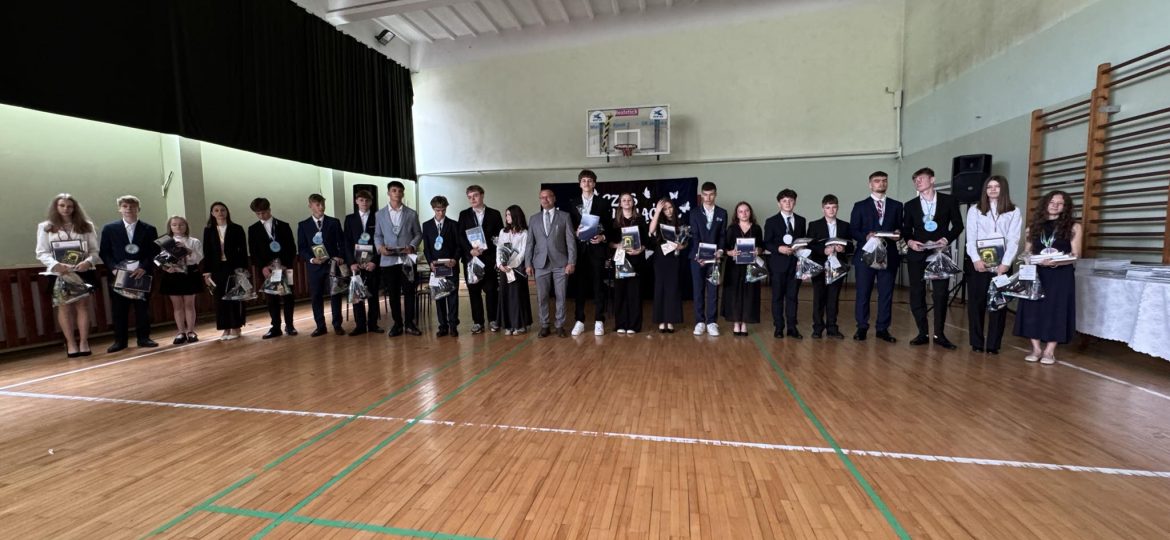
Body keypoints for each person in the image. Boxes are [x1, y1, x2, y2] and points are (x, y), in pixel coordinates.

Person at [1014, 190, 1081, 365]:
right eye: (1052, 202)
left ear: (1065, 207)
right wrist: (1028, 258)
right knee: (1033, 309)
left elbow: (1075, 255)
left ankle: (1049, 351)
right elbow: (1026, 252)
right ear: (1045, 204)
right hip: (1036, 273)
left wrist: (1057, 261)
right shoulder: (1033, 227)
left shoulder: (1074, 227)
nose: (1055, 206)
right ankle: (1036, 349)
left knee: (1057, 309)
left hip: (1060, 274)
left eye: (1060, 203)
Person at [903, 167, 964, 349]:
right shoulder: (910, 205)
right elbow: (906, 229)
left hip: (939, 253)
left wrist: (946, 239)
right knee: (917, 293)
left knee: (940, 294)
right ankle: (922, 333)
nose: (917, 182)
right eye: (915, 180)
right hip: (917, 254)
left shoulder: (949, 200)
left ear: (932, 180)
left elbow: (958, 225)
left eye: (921, 178)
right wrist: (910, 241)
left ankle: (939, 334)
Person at [35, 193, 100, 357]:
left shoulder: (86, 225)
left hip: (82, 271)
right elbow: (41, 252)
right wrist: (55, 264)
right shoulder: (45, 227)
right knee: (64, 309)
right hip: (59, 273)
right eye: (62, 205)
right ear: (56, 207)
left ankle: (84, 342)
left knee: (83, 307)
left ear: (74, 208)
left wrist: (88, 262)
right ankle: (71, 343)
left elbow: (94, 251)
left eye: (69, 206)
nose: (66, 209)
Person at [965, 176, 1021, 354]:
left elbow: (1014, 239)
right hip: (979, 263)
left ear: (1003, 189)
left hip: (1002, 265)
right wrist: (976, 259)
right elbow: (970, 237)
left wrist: (1006, 264)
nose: (993, 189)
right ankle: (976, 342)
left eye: (997, 186)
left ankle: (993, 345)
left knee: (999, 304)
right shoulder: (975, 210)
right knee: (976, 303)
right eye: (989, 187)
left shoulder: (1014, 211)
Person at [99, 195, 161, 352]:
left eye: (132, 206)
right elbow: (104, 252)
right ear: (119, 209)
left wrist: (144, 268)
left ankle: (144, 338)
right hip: (119, 274)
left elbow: (154, 252)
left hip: (141, 274)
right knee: (119, 309)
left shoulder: (149, 229)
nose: (129, 209)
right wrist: (114, 268)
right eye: (125, 206)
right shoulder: (109, 229)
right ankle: (120, 341)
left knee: (142, 308)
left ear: (138, 209)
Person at [850, 171, 902, 343]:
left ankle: (882, 329)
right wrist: (865, 236)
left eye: (884, 181)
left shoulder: (896, 205)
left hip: (889, 255)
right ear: (870, 184)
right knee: (863, 293)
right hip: (865, 255)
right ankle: (862, 327)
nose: (881, 183)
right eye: (877, 181)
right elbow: (853, 229)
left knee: (886, 294)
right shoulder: (860, 206)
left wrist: (898, 234)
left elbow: (900, 228)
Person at [375, 181, 423, 337]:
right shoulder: (379, 214)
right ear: (388, 193)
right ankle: (397, 324)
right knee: (393, 294)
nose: (397, 193)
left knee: (410, 292)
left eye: (400, 191)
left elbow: (418, 234)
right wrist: (380, 247)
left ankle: (410, 323)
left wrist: (412, 246)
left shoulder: (411, 213)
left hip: (407, 259)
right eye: (394, 190)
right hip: (388, 261)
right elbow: (377, 235)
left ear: (403, 193)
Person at [526, 189, 576, 338]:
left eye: (547, 197)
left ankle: (560, 325)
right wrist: (528, 263)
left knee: (561, 296)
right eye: (542, 197)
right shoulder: (534, 219)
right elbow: (530, 243)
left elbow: (570, 241)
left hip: (561, 264)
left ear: (554, 198)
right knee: (542, 297)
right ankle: (544, 325)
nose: (545, 199)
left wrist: (571, 262)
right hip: (540, 264)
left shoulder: (564, 216)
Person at [568, 169, 613, 336]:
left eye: (589, 180)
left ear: (594, 183)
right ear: (580, 184)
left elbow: (610, 226)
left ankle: (599, 320)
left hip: (597, 249)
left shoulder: (603, 203)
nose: (586, 183)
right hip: (579, 250)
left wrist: (603, 237)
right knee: (579, 286)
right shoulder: (573, 203)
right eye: (584, 180)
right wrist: (575, 232)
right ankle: (579, 320)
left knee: (598, 285)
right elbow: (569, 226)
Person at [248, 197, 298, 339]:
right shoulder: (253, 229)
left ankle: (290, 325)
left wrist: (285, 265)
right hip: (267, 270)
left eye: (264, 212)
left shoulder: (283, 226)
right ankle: (275, 327)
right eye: (258, 214)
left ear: (269, 210)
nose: (261, 216)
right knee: (271, 298)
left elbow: (291, 247)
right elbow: (254, 252)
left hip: (285, 267)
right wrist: (263, 267)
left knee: (288, 297)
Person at [297, 194, 346, 337]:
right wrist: (312, 259)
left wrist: (340, 256)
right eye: (318, 205)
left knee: (335, 294)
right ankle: (320, 326)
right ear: (310, 206)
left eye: (323, 204)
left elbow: (342, 242)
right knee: (316, 296)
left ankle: (337, 325)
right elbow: (302, 248)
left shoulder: (334, 222)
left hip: (332, 265)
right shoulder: (303, 225)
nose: (321, 207)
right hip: (315, 267)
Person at [458, 185, 504, 334]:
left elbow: (500, 237)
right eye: (470, 197)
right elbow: (460, 236)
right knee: (474, 292)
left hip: (489, 259)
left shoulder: (494, 214)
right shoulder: (464, 214)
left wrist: (491, 250)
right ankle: (478, 322)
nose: (472, 199)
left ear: (482, 195)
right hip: (471, 260)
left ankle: (493, 320)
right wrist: (470, 251)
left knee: (491, 291)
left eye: (475, 195)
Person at [806, 195, 852, 339]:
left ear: (837, 208)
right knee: (818, 298)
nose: (831, 210)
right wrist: (823, 250)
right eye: (828, 207)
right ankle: (817, 328)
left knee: (833, 299)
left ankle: (832, 328)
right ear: (823, 209)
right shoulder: (814, 225)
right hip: (819, 266)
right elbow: (809, 246)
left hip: (837, 267)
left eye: (834, 207)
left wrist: (843, 249)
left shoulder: (845, 225)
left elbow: (851, 245)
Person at [763, 188, 806, 339]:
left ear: (795, 202)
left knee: (793, 297)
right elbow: (767, 242)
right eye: (784, 201)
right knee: (777, 297)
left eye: (791, 200)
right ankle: (779, 327)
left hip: (795, 264)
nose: (788, 203)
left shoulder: (801, 220)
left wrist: (801, 248)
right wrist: (778, 248)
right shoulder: (771, 221)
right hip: (777, 265)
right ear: (779, 203)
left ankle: (792, 327)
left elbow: (803, 240)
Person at [202, 202, 249, 341]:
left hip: (233, 267)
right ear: (212, 213)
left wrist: (242, 270)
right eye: (216, 210)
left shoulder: (236, 228)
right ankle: (225, 328)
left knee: (235, 297)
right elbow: (207, 251)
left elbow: (243, 250)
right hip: (217, 268)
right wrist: (207, 272)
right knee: (219, 299)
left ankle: (236, 326)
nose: (220, 213)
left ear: (227, 212)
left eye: (222, 210)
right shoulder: (209, 230)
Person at [688, 182, 728, 336]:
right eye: (705, 194)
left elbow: (722, 235)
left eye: (711, 194)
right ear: (701, 195)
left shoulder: (722, 213)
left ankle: (711, 322)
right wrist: (699, 255)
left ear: (715, 194)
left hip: (715, 258)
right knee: (698, 290)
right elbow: (694, 236)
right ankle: (699, 322)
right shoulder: (694, 213)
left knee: (713, 290)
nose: (708, 197)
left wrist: (720, 251)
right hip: (697, 258)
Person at [158, 216, 204, 344]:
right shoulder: (165, 242)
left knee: (189, 304)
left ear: (186, 226)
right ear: (170, 227)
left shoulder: (194, 241)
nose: (178, 227)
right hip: (173, 274)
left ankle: (191, 331)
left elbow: (198, 258)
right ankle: (180, 332)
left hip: (189, 273)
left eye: (181, 224)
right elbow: (160, 260)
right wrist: (166, 268)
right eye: (174, 225)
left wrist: (188, 251)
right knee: (177, 306)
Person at [722, 202, 764, 337]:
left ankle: (745, 322)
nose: (744, 213)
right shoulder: (731, 229)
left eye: (746, 211)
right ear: (737, 214)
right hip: (734, 267)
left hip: (751, 266)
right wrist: (730, 252)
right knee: (734, 294)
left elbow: (761, 246)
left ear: (750, 212)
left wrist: (758, 250)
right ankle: (736, 322)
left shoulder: (757, 228)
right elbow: (725, 248)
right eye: (741, 211)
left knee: (749, 294)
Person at [423, 196, 462, 337]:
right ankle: (442, 326)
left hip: (451, 266)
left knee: (452, 297)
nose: (441, 213)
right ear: (433, 209)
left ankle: (453, 326)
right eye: (438, 210)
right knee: (439, 297)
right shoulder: (426, 225)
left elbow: (459, 246)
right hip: (436, 267)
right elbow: (426, 248)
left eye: (443, 210)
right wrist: (430, 262)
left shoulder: (454, 224)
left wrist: (455, 260)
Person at [343, 189, 382, 336]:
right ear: (356, 201)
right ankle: (360, 325)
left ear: (371, 202)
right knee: (357, 295)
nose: (364, 203)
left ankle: (373, 324)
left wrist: (374, 261)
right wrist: (351, 262)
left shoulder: (378, 218)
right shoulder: (350, 219)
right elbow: (347, 243)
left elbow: (381, 241)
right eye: (361, 200)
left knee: (373, 295)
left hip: (372, 263)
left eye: (367, 200)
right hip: (356, 264)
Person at [610, 193, 648, 334]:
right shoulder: (614, 222)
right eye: (624, 200)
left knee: (634, 294)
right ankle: (620, 324)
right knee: (620, 293)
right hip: (620, 261)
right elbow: (609, 243)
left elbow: (646, 241)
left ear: (633, 203)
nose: (626, 202)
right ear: (620, 203)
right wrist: (618, 245)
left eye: (629, 200)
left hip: (636, 260)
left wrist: (640, 250)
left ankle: (634, 325)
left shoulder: (640, 220)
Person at [647, 198, 685, 333]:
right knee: (660, 288)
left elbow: (685, 241)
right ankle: (661, 320)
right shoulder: (658, 222)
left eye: (670, 208)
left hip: (674, 258)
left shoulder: (680, 223)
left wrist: (681, 246)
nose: (668, 211)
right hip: (660, 258)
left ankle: (670, 320)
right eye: (665, 209)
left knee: (672, 289)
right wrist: (657, 211)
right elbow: (651, 230)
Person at [496, 205, 533, 335]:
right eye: (506, 215)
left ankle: (520, 325)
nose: (507, 217)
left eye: (509, 215)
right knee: (505, 296)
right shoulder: (503, 232)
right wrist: (500, 264)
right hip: (504, 269)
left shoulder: (524, 233)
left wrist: (512, 264)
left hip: (517, 269)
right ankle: (508, 325)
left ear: (516, 215)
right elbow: (499, 248)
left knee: (517, 296)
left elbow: (523, 251)